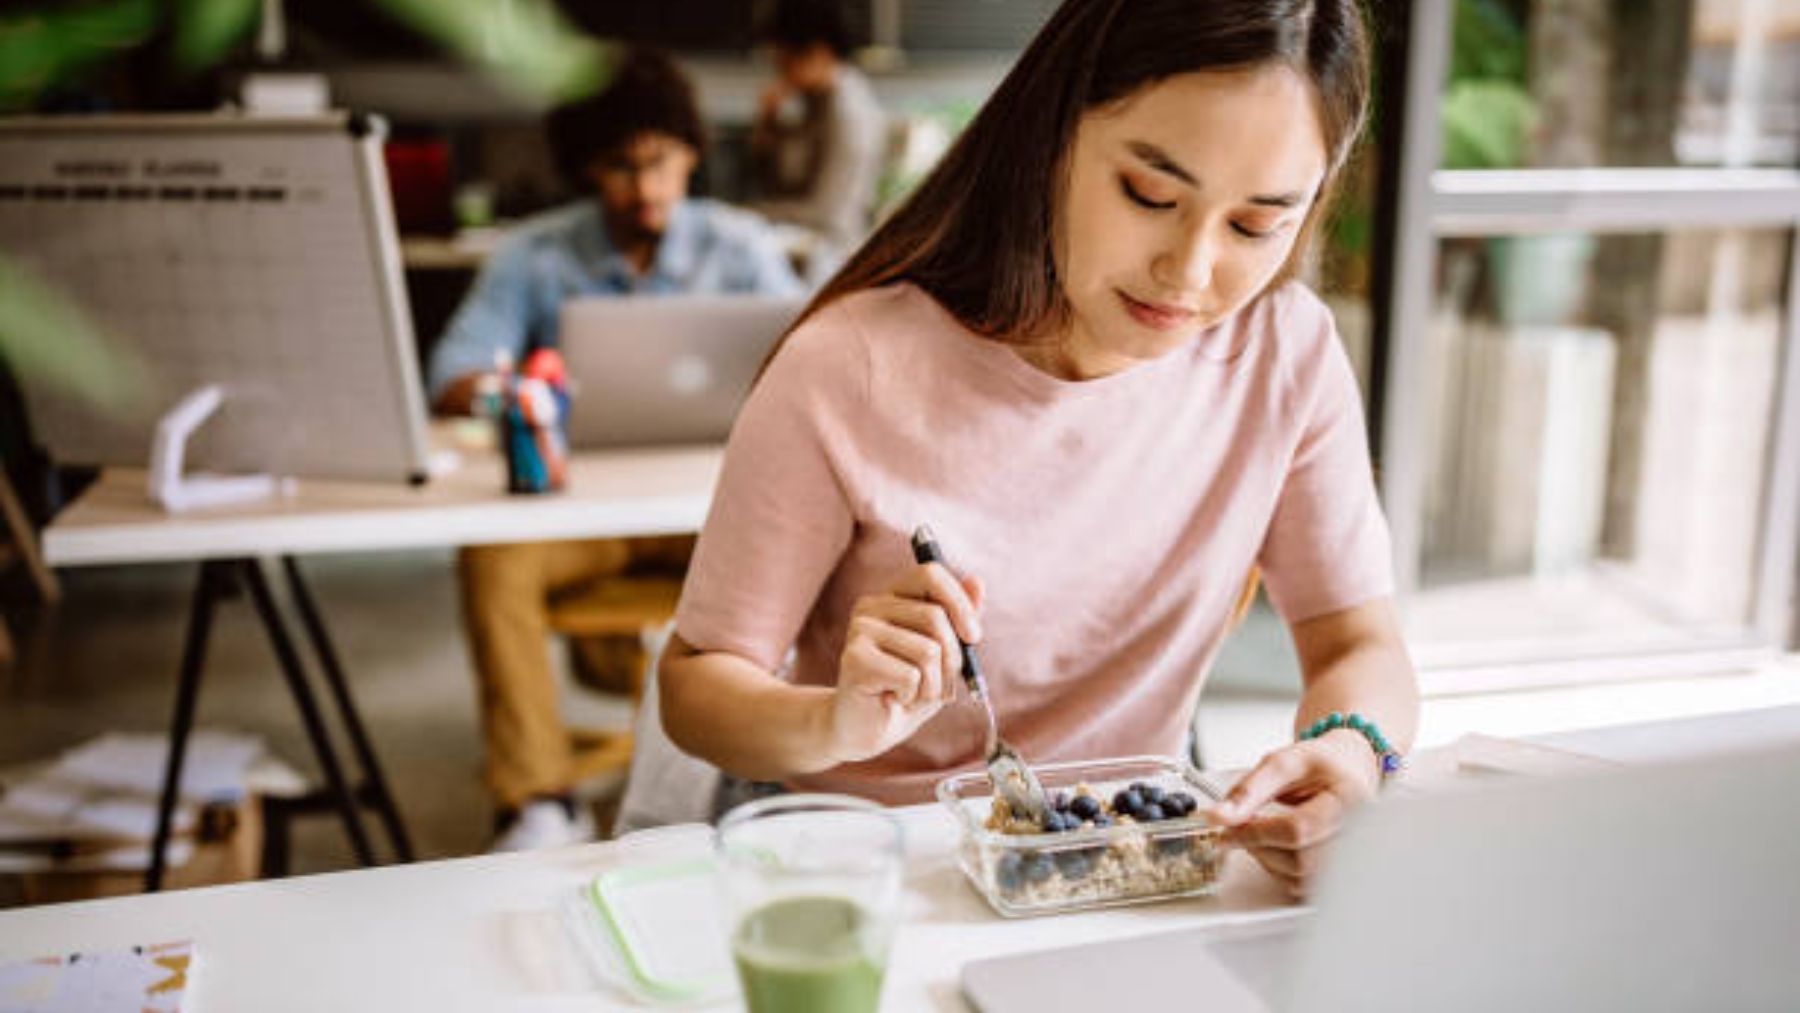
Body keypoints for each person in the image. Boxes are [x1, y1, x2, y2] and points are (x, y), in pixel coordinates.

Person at [660, 0, 1419, 898]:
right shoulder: (849, 364)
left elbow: (1358, 643)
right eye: (1150, 194)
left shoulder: (1285, 354)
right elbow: (696, 687)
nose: (1190, 270)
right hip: (870, 868)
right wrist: (837, 720)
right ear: (1055, 135)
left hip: (1128, 868)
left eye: (1256, 226)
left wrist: (1352, 752)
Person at [427, 47, 804, 852]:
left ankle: (762, 775)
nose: (645, 189)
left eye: (661, 163)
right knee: (492, 555)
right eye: (620, 169)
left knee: (805, 546)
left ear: (692, 154)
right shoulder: (533, 254)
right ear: (586, 170)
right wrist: (513, 389)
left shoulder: (740, 248)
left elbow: (821, 358)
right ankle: (536, 802)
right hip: (581, 515)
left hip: (709, 515)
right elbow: (451, 375)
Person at [748, 0, 886, 265]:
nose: (779, 72)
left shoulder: (848, 112)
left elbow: (826, 213)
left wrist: (746, 213)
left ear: (818, 52)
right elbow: (777, 184)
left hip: (831, 256)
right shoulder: (813, 100)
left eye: (784, 62)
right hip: (800, 241)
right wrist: (767, 125)